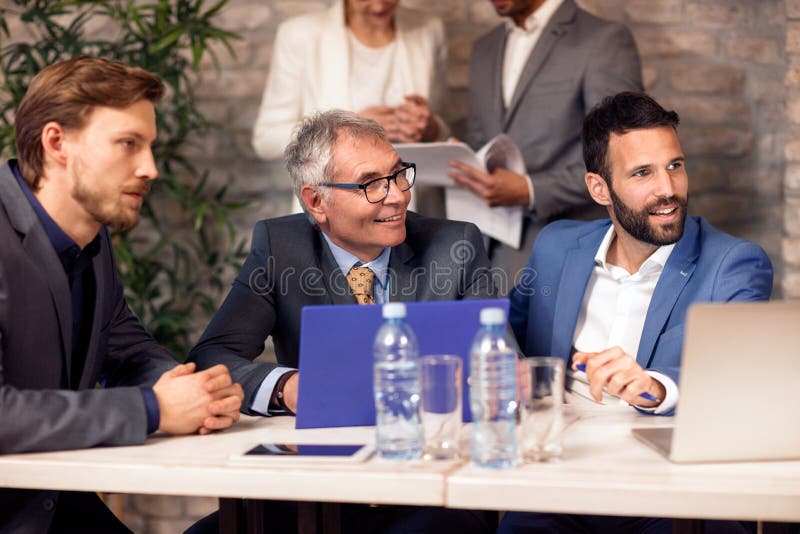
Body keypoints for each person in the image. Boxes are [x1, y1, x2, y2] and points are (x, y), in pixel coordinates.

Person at [188, 109, 496, 533]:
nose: (397, 196)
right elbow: (212, 357)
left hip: (427, 486)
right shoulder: (280, 248)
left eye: (398, 174)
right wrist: (287, 386)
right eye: (372, 184)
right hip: (319, 485)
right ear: (317, 201)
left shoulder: (455, 245)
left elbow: (499, 366)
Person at [502, 92, 772, 533]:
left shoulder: (734, 264)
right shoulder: (557, 246)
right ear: (599, 188)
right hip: (555, 484)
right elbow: (504, 325)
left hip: (668, 492)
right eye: (642, 173)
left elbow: (741, 380)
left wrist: (655, 387)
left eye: (675, 166)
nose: (667, 189)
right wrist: (503, 363)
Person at [0, 56, 244, 533]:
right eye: (128, 144)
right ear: (57, 142)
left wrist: (191, 388)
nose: (150, 168)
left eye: (149, 146)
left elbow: (124, 346)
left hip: (52, 500)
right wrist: (154, 409)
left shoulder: (91, 236)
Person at [449, 0, 643, 285]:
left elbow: (622, 156)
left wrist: (530, 190)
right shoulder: (484, 48)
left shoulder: (603, 40)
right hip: (486, 254)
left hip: (573, 250)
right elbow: (482, 140)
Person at [252, 0, 449, 215]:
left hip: (414, 208)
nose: (378, 6)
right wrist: (352, 126)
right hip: (338, 216)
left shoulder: (429, 29)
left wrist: (430, 127)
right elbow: (266, 139)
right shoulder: (300, 36)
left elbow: (443, 129)